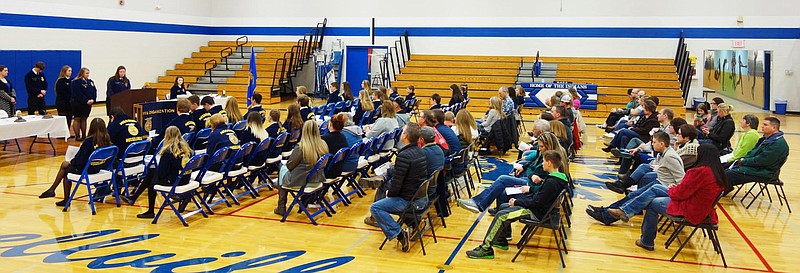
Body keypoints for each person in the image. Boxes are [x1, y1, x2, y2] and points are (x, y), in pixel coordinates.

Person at [465, 150, 567, 259]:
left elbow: (537, 202)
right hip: (540, 209)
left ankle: (486, 248)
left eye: (543, 161)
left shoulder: (551, 182)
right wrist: (530, 190)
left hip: (536, 213)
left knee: (501, 216)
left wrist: (517, 202)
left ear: (549, 163)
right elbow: (541, 195)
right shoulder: (557, 178)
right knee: (503, 206)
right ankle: (501, 240)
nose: (542, 163)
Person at [458, 132, 563, 214]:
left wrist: (531, 186)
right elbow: (531, 167)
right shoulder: (543, 154)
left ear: (549, 146)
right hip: (530, 181)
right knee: (503, 190)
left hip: (532, 188)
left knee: (503, 179)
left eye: (541, 147)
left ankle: (479, 204)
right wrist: (531, 174)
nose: (539, 149)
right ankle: (503, 230)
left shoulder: (552, 161)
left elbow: (546, 188)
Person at [369, 123, 428, 251]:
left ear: (406, 135)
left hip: (409, 201)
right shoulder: (420, 151)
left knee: (376, 207)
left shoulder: (404, 155)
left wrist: (389, 194)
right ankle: (414, 223)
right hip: (421, 197)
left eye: (402, 132)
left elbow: (397, 185)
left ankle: (400, 234)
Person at [121, 126, 195, 219]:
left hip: (176, 181)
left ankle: (150, 210)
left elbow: (162, 173)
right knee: (152, 172)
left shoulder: (168, 151)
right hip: (185, 178)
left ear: (166, 136)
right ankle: (133, 198)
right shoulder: (186, 147)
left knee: (152, 183)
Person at [38, 118, 113, 205]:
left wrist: (71, 161)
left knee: (66, 169)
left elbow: (79, 160)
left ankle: (62, 197)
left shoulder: (88, 142)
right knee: (65, 165)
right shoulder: (108, 140)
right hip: (99, 168)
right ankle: (52, 190)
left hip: (88, 170)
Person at [274, 120, 329, 215]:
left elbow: (290, 165)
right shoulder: (323, 145)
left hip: (302, 182)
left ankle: (281, 206)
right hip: (317, 179)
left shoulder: (301, 147)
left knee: (282, 168)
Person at [605, 132, 684, 194]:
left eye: (654, 142)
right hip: (661, 171)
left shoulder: (670, 156)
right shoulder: (664, 152)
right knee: (644, 166)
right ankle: (624, 183)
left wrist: (658, 167)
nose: (677, 135)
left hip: (668, 181)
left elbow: (681, 177)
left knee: (644, 171)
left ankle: (625, 183)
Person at [725, 117, 789, 191]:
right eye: (762, 124)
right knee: (727, 167)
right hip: (758, 167)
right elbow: (753, 152)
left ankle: (720, 192)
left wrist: (744, 161)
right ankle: (723, 189)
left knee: (729, 174)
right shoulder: (765, 139)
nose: (762, 126)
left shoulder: (777, 144)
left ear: (774, 127)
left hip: (765, 172)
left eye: (765, 125)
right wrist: (744, 159)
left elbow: (762, 161)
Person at [70, 68, 97, 141]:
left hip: (88, 104)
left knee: (84, 118)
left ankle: (84, 135)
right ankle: (77, 136)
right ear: (82, 73)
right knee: (77, 118)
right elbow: (77, 93)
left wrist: (93, 99)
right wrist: (85, 100)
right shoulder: (76, 82)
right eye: (86, 73)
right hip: (78, 103)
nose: (88, 75)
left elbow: (94, 91)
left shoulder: (90, 82)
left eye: (88, 73)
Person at [321, 114, 348, 178]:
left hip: (327, 171)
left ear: (330, 124)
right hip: (339, 168)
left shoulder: (325, 139)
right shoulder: (343, 137)